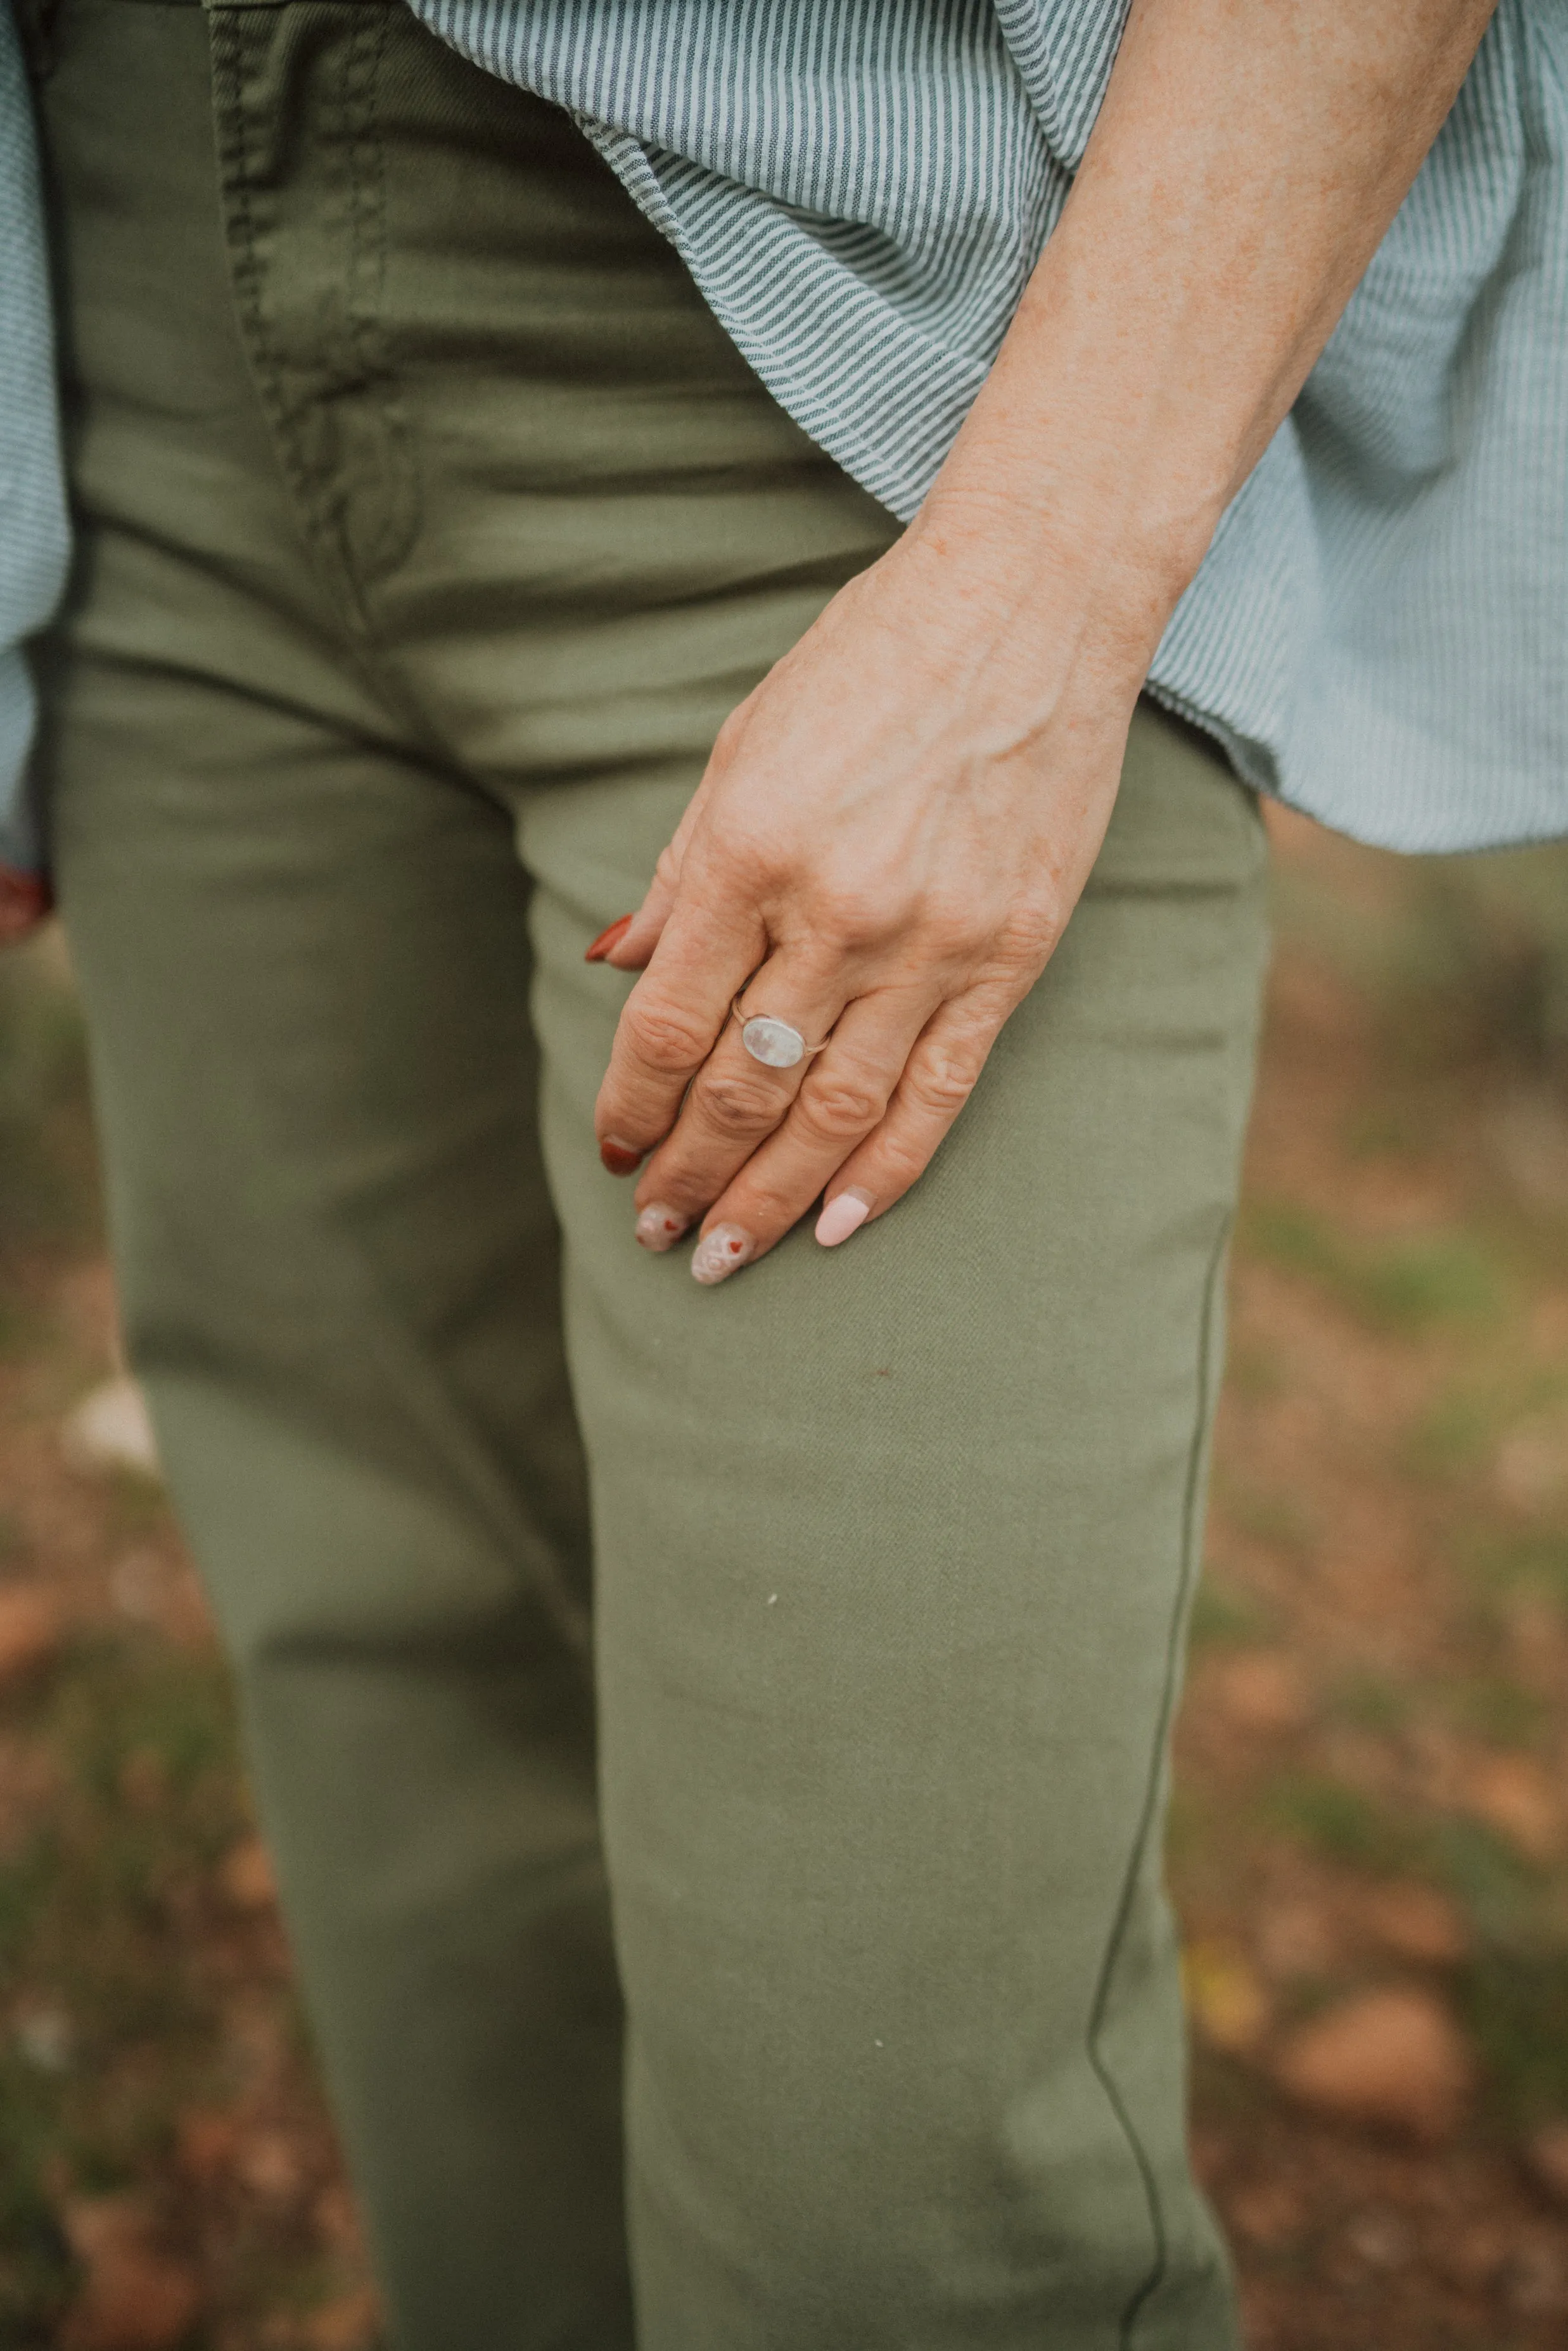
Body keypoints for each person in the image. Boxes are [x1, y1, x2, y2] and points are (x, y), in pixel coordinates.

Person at [1, 0, 1558, 2341]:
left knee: (897, 2178)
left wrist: (1040, 590)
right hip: (133, 383)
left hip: (861, 397)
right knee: (439, 1861)